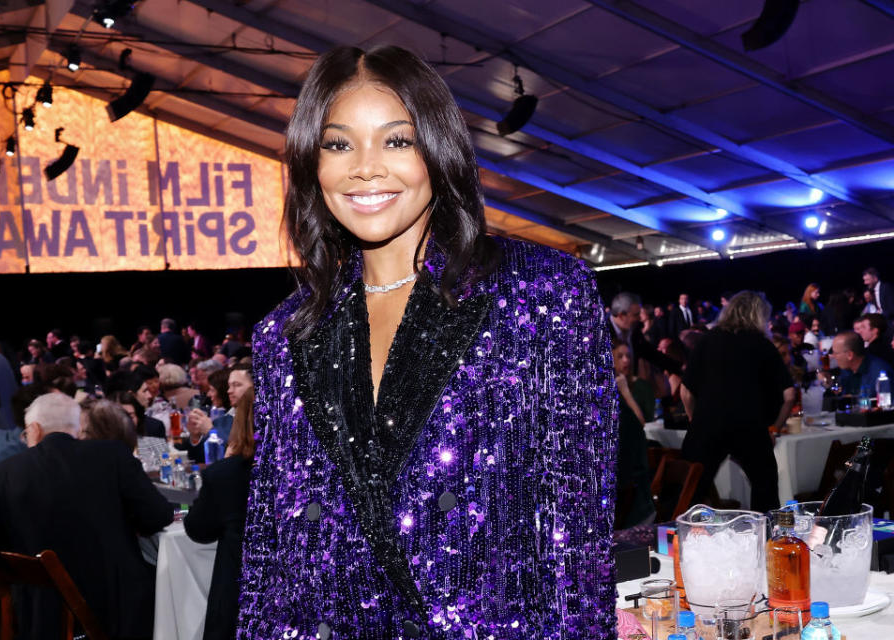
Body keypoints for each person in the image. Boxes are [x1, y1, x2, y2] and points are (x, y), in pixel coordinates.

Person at [234, 45, 617, 639]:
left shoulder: (540, 292)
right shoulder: (284, 336)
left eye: (396, 140)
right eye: (338, 144)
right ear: (312, 161)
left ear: (437, 149)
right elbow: (273, 554)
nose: (364, 167)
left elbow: (574, 537)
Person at [0, 392, 172, 639]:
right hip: (121, 608)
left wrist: (18, 563)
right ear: (78, 429)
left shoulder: (6, 472)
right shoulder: (112, 455)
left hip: (43, 616)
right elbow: (159, 515)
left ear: (34, 429)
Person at [680, 291, 794, 512]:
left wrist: (695, 418)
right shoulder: (763, 345)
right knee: (766, 496)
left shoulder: (707, 341)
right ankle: (766, 541)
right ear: (759, 316)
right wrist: (774, 429)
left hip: (708, 425)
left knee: (686, 494)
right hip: (751, 427)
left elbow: (686, 391)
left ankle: (672, 541)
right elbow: (788, 395)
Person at [183, 388, 255, 640]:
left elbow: (198, 530)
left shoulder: (227, 474)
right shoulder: (305, 473)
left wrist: (227, 459)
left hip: (241, 596)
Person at [611, 340, 655, 528]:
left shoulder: (639, 387)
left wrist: (625, 391)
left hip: (632, 503)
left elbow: (640, 422)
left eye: (628, 355)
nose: (626, 360)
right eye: (620, 356)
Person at [833, 330, 889, 397]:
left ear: (850, 355)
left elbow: (887, 404)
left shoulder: (879, 374)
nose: (834, 357)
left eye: (836, 353)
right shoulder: (846, 371)